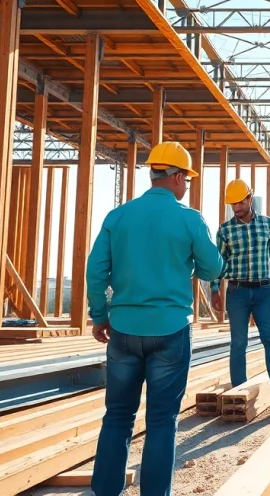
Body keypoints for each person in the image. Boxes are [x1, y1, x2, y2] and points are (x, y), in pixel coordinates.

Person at [86, 141, 224, 496]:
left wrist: (100, 315)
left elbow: (96, 271)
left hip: (123, 331)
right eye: (187, 179)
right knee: (162, 422)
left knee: (117, 417)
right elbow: (213, 267)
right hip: (171, 331)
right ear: (177, 177)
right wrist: (188, 261)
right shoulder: (189, 219)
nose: (187, 186)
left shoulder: (118, 216)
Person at [212, 178, 270, 414]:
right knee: (238, 344)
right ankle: (238, 396)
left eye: (239, 203)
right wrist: (214, 289)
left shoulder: (266, 224)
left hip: (263, 292)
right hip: (237, 292)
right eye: (232, 204)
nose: (236, 208)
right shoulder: (225, 230)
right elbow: (219, 263)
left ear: (249, 199)